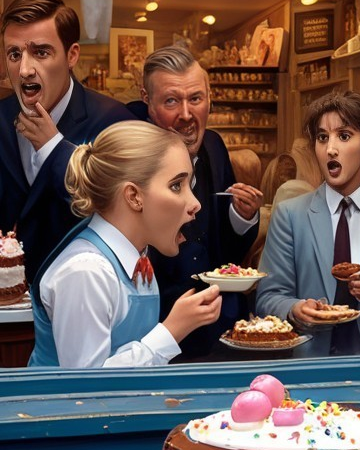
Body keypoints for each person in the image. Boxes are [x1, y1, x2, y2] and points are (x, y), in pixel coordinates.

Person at [29, 121, 222, 368]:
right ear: (133, 196)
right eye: (176, 186)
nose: (195, 203)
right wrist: (171, 331)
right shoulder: (87, 272)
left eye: (189, 186)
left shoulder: (138, 258)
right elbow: (85, 386)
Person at [257, 91, 360, 355]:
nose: (330, 148)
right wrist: (295, 310)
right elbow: (268, 297)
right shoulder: (290, 215)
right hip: (310, 364)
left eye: (344, 136)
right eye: (322, 138)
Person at [130, 46, 262, 359]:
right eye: (172, 101)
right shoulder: (132, 160)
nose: (187, 115)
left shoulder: (215, 147)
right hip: (156, 331)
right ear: (147, 101)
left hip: (223, 326)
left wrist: (242, 217)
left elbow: (228, 251)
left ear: (209, 97)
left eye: (196, 99)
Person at [0, 0, 133, 282]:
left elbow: (126, 219)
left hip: (85, 303)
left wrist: (54, 149)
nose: (24, 69)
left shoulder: (114, 122)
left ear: (72, 55)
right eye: (14, 54)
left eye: (41, 52)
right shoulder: (0, 119)